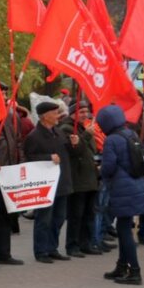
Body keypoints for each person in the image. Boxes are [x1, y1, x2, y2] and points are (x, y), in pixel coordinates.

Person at [96, 104, 144, 284]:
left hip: (122, 189)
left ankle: (134, 271)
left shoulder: (112, 139)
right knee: (123, 226)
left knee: (124, 230)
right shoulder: (130, 133)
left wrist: (101, 170)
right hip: (137, 186)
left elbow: (109, 167)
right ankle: (121, 266)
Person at [24, 101, 74, 263]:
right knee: (44, 219)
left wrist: (74, 144)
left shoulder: (58, 132)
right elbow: (29, 158)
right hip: (45, 184)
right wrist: (47, 158)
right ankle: (41, 251)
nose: (58, 115)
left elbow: (68, 154)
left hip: (62, 182)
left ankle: (52, 248)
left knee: (59, 218)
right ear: (45, 116)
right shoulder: (34, 136)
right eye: (54, 112)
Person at [0, 95, 26, 265]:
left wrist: (21, 164)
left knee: (6, 214)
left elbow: (18, 142)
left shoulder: (12, 116)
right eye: (1, 93)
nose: (4, 96)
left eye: (6, 93)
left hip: (10, 170)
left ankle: (3, 253)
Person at [65, 102, 102, 257]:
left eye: (86, 112)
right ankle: (72, 245)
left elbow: (91, 150)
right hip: (78, 179)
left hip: (90, 177)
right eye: (81, 112)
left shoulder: (84, 128)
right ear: (73, 113)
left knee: (88, 214)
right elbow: (75, 151)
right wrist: (86, 134)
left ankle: (85, 243)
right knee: (76, 215)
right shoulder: (67, 128)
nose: (85, 115)